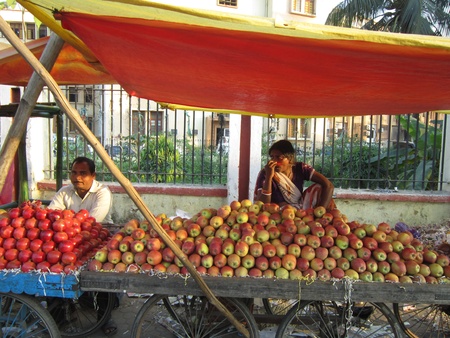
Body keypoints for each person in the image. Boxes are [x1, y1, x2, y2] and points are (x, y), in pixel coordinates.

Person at [48, 157, 117, 336]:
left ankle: (105, 315)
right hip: (70, 240)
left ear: (93, 175)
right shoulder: (65, 192)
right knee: (53, 265)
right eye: (74, 172)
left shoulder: (102, 192)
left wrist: (64, 223)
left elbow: (92, 222)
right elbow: (51, 215)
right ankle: (59, 315)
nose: (77, 177)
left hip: (98, 239)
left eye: (83, 173)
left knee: (101, 274)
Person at [254, 140, 335, 210]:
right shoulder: (266, 172)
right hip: (277, 213)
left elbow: (329, 185)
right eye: (272, 157)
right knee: (283, 206)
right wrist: (269, 177)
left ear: (290, 158)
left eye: (279, 157)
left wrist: (322, 211)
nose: (274, 161)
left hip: (300, 210)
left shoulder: (300, 168)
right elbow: (262, 204)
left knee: (320, 189)